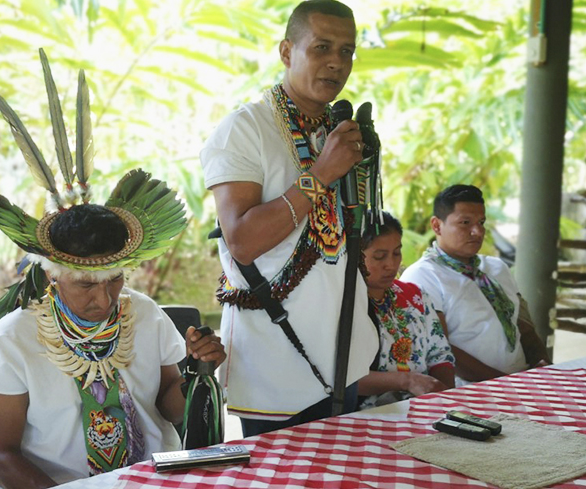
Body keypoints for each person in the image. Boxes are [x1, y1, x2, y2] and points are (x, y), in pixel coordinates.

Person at [0, 57, 225, 489]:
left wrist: (199, 374)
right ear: (53, 275)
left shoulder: (143, 313)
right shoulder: (14, 339)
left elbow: (167, 400)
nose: (103, 298)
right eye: (86, 285)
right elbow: (1, 457)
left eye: (115, 281)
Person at [201, 0, 378, 436]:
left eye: (346, 51)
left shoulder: (338, 131)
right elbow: (241, 240)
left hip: (346, 354)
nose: (337, 62)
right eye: (321, 47)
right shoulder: (244, 129)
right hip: (275, 362)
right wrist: (322, 173)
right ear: (286, 52)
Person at [400, 185, 549, 386]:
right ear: (436, 226)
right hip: (469, 390)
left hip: (519, 381)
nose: (477, 231)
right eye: (465, 223)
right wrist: (502, 383)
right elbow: (441, 348)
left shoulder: (497, 267)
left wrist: (544, 367)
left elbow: (524, 327)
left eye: (481, 222)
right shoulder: (423, 275)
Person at [357, 211, 454, 409]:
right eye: (379, 256)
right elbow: (343, 378)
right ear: (354, 256)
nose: (391, 265)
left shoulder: (415, 296)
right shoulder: (342, 306)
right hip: (367, 415)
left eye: (396, 253)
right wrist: (407, 381)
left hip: (424, 410)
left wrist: (443, 400)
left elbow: (440, 355)